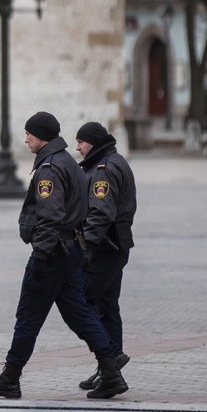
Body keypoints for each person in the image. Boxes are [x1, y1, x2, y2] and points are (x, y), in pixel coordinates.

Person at [0, 111, 129, 401]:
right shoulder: (67, 161)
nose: (25, 138)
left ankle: (11, 377)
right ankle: (111, 370)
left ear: (41, 136)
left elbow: (50, 217)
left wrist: (40, 256)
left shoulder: (50, 168)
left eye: (29, 133)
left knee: (28, 316)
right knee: (79, 315)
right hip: (70, 252)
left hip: (52, 253)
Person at [75, 121, 137, 392]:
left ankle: (110, 358)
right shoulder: (113, 160)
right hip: (115, 246)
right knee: (107, 306)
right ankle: (107, 366)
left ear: (94, 143)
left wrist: (87, 246)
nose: (77, 147)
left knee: (81, 302)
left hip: (104, 248)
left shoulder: (103, 170)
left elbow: (101, 212)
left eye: (81, 142)